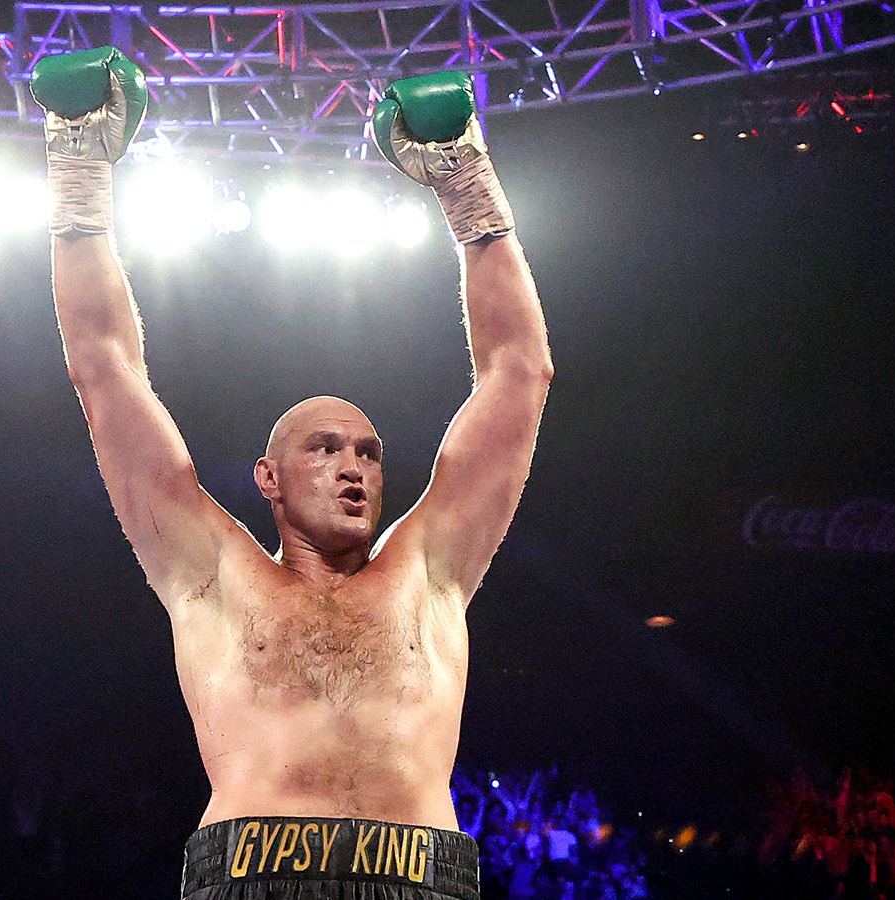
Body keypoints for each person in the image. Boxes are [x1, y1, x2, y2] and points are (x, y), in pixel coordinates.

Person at [31, 46, 552, 900]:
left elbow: (518, 373)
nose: (354, 468)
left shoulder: (431, 568)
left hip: (418, 875)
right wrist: (78, 167)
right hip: (252, 871)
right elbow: (104, 370)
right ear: (267, 478)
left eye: (370, 453)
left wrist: (466, 181)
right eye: (325, 448)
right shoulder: (210, 572)